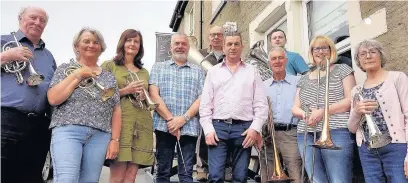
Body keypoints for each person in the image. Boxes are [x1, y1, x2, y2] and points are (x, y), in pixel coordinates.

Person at [47, 27, 122, 182]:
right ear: (77, 46)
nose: (91, 45)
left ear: (101, 48)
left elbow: (116, 110)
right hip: (68, 130)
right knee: (66, 179)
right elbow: (53, 99)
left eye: (96, 42)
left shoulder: (109, 77)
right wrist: (78, 75)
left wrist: (115, 140)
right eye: (86, 41)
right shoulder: (65, 69)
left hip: (100, 135)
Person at [199, 31, 268, 183]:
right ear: (223, 47)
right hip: (218, 128)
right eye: (229, 44)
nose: (233, 47)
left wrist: (254, 129)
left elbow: (261, 104)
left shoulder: (252, 71)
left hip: (244, 130)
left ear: (242, 46)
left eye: (236, 44)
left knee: (240, 177)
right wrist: (208, 130)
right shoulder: (213, 72)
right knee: (215, 176)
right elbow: (205, 105)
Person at [1, 6, 56, 183]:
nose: (37, 22)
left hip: (38, 123)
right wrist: (6, 56)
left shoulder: (48, 56)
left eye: (42, 20)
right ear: (20, 19)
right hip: (5, 118)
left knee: (31, 176)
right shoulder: (3, 41)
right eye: (33, 18)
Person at [291, 35, 356, 183]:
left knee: (339, 179)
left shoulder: (342, 69)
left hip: (336, 129)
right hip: (306, 133)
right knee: (316, 179)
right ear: (312, 52)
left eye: (324, 48)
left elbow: (350, 100)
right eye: (316, 48)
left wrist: (322, 112)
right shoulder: (304, 77)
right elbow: (295, 107)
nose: (320, 52)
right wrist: (305, 114)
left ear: (331, 50)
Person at [348, 39, 408, 182]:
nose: (368, 56)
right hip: (367, 150)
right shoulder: (356, 90)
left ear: (380, 56)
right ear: (359, 61)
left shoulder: (397, 78)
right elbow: (352, 128)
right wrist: (357, 112)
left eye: (373, 52)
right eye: (363, 54)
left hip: (396, 146)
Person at [149, 33, 205, 183]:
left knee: (186, 175)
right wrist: (171, 120)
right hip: (164, 126)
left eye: (183, 44)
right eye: (177, 43)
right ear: (171, 47)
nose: (180, 46)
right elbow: (154, 95)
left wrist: (183, 119)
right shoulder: (158, 67)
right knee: (162, 172)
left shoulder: (198, 70)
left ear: (188, 47)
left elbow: (202, 98)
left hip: (189, 127)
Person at [102, 29, 154, 183]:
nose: (132, 44)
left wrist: (144, 96)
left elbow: (148, 96)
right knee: (117, 177)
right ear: (122, 43)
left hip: (141, 123)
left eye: (136, 41)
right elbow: (102, 94)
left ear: (140, 46)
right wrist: (126, 90)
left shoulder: (144, 71)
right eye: (129, 40)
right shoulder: (109, 65)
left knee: (131, 176)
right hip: (121, 123)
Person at [260, 46, 303, 183]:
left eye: (280, 58)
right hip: (267, 136)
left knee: (295, 173)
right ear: (269, 63)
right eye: (273, 58)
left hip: (290, 133)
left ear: (286, 60)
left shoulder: (298, 82)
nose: (277, 61)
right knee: (268, 176)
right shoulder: (262, 85)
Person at [196, 25, 228, 182]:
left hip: (226, 102)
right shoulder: (200, 55)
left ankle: (226, 168)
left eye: (219, 35)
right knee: (204, 136)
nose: (216, 37)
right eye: (213, 35)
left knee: (224, 137)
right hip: (205, 101)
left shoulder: (230, 54)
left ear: (224, 37)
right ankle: (203, 168)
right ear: (209, 37)